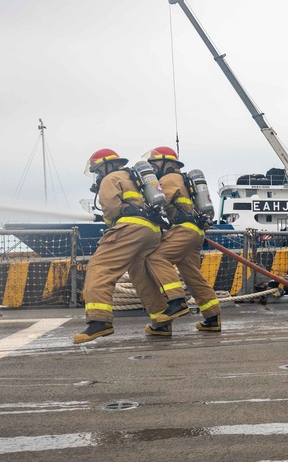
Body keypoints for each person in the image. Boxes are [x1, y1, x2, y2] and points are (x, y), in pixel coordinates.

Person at [74, 149, 189, 344]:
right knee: (140, 273)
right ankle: (161, 322)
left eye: (98, 170)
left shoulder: (110, 178)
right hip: (151, 231)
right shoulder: (136, 178)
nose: (98, 175)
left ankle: (99, 321)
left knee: (100, 267)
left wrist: (113, 225)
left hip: (130, 227)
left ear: (107, 165)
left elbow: (110, 208)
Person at [141, 146, 222, 336]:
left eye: (155, 163)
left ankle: (176, 301)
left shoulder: (168, 179)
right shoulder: (185, 180)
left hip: (183, 230)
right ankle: (212, 317)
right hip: (196, 232)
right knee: (192, 274)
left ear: (167, 163)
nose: (153, 168)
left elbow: (159, 203)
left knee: (156, 258)